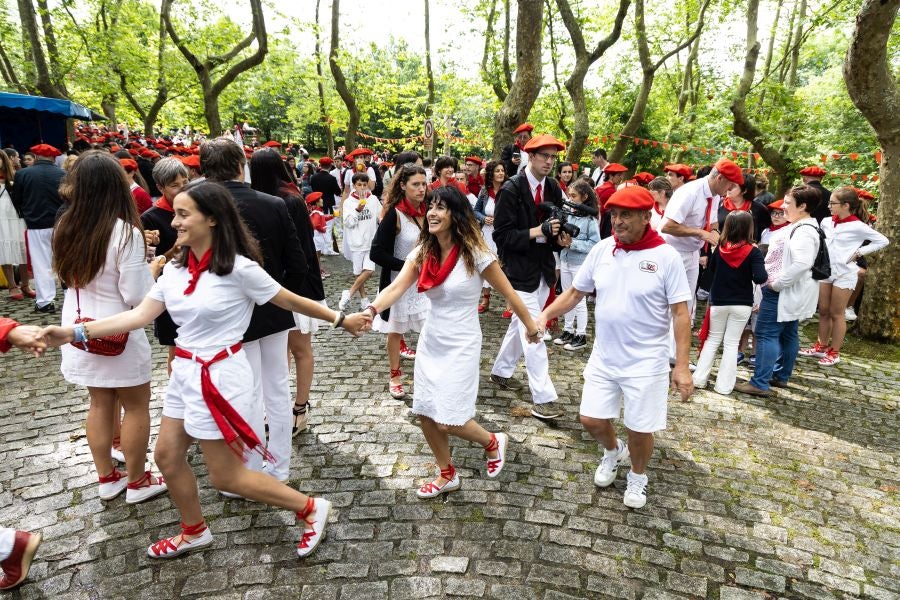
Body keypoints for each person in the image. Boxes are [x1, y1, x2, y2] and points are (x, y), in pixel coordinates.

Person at [39, 181, 371, 559]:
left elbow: (290, 300)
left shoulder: (240, 270)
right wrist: (71, 332)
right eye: (175, 213)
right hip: (184, 374)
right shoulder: (174, 272)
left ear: (212, 219)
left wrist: (341, 319)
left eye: (183, 214)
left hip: (221, 378)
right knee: (166, 456)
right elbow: (137, 316)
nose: (174, 222)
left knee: (226, 476)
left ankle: (311, 508)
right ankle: (194, 531)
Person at [368, 185, 542, 498]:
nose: (432, 213)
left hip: (462, 342)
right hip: (431, 339)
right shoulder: (423, 251)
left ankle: (491, 441)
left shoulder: (475, 253)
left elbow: (509, 293)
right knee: (424, 410)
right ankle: (447, 473)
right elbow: (395, 288)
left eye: (440, 208)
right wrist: (371, 310)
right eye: (430, 207)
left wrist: (530, 325)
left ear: (455, 214)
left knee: (450, 419)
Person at [536, 186, 693, 509]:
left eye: (626, 215)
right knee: (590, 419)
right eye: (614, 215)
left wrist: (681, 365)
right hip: (604, 356)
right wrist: (545, 316)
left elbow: (681, 313)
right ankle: (612, 451)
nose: (617, 222)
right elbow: (576, 293)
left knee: (640, 427)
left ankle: (638, 475)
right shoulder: (603, 249)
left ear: (646, 217)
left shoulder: (666, 257)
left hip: (646, 362)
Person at [52, 151, 168, 503]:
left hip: (79, 330)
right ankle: (137, 480)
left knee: (99, 405)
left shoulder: (64, 227)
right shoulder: (125, 234)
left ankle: (107, 477)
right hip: (117, 331)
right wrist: (154, 269)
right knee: (135, 407)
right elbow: (136, 296)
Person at [201, 138, 308, 484]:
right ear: (239, 166)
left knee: (247, 390)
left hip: (229, 317)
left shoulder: (200, 207)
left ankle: (251, 469)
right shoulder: (274, 204)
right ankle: (277, 468)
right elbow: (298, 263)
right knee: (275, 388)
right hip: (272, 307)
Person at [489, 134, 567, 420]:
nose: (549, 161)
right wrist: (538, 231)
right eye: (544, 156)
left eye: (553, 157)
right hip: (517, 271)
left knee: (520, 325)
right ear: (530, 156)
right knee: (534, 329)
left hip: (544, 268)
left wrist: (561, 238)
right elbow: (501, 236)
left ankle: (500, 371)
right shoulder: (511, 189)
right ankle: (543, 398)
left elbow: (555, 231)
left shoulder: (555, 187)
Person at [249, 148, 325, 436]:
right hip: (275, 287)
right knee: (280, 354)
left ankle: (300, 407)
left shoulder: (290, 199)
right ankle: (279, 407)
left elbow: (302, 250)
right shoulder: (271, 198)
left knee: (299, 349)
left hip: (296, 285)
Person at [735, 185, 821, 396]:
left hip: (782, 291)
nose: (783, 207)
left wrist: (777, 284)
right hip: (788, 291)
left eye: (788, 203)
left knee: (766, 334)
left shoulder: (804, 231)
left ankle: (760, 382)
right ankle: (779, 375)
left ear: (802, 206)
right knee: (788, 333)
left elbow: (802, 263)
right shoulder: (802, 226)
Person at [799, 187, 888, 366]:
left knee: (836, 313)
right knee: (823, 310)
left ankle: (835, 351)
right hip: (826, 271)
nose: (829, 206)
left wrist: (860, 252)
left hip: (845, 273)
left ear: (846, 205)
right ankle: (821, 346)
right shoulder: (825, 221)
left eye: (833, 203)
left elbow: (883, 240)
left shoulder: (858, 226)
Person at [370, 164, 431, 398]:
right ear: (403, 186)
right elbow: (376, 253)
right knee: (395, 331)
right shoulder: (394, 214)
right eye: (415, 184)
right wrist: (408, 267)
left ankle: (429, 375)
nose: (421, 189)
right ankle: (395, 376)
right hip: (399, 284)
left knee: (430, 330)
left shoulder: (431, 211)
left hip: (426, 285)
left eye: (424, 184)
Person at [659, 158, 744, 321]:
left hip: (692, 253)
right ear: (720, 178)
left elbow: (712, 222)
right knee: (668, 305)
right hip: (671, 251)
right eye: (730, 185)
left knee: (687, 305)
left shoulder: (715, 194)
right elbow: (666, 227)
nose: (731, 189)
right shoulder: (689, 192)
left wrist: (715, 232)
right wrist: (701, 233)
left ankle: (677, 342)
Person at [692, 212, 768, 394]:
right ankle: (724, 386)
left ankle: (699, 379)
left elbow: (710, 273)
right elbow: (760, 278)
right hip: (742, 302)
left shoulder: (719, 249)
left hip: (718, 301)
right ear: (749, 228)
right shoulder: (754, 251)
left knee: (712, 340)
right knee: (732, 343)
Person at [142, 157, 189, 373]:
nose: (182, 189)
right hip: (170, 291)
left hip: (198, 284)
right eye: (174, 185)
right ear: (160, 188)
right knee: (177, 350)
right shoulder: (150, 219)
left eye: (185, 182)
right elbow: (149, 267)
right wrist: (174, 250)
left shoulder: (197, 208)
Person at [11, 144, 66, 313]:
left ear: (35, 156)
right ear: (53, 157)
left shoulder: (22, 174)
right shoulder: (63, 174)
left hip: (35, 224)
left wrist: (25, 214)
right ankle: (71, 294)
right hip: (60, 223)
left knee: (41, 263)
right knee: (66, 260)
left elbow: (16, 199)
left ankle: (45, 301)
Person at [553, 179, 600, 351]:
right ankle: (567, 330)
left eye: (574, 196)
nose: (570, 199)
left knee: (578, 301)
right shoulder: (570, 214)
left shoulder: (590, 219)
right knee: (566, 297)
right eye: (569, 195)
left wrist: (573, 243)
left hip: (580, 264)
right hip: (565, 260)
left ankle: (580, 335)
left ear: (585, 197)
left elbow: (595, 244)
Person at [339, 173, 382, 311]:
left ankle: (349, 293)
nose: (362, 188)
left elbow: (380, 217)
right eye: (359, 185)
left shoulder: (373, 199)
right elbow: (348, 223)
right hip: (356, 242)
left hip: (371, 241)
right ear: (354, 186)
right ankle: (364, 299)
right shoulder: (348, 202)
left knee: (369, 271)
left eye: (365, 185)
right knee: (358, 272)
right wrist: (358, 209)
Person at [473, 160, 506, 314]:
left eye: (502, 171)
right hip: (487, 233)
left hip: (503, 233)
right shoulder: (485, 191)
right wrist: (483, 218)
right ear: (491, 174)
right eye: (497, 171)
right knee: (486, 264)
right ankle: (485, 298)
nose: (500, 173)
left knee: (503, 265)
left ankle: (510, 301)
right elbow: (475, 210)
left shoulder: (508, 190)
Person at [0, 151, 32, 301]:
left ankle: (25, 284)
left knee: (22, 249)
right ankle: (12, 285)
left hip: (17, 217)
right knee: (5, 250)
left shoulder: (15, 175)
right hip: (1, 218)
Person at [310, 157, 342, 256]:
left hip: (315, 205)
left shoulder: (314, 177)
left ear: (320, 165)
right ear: (330, 166)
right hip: (328, 205)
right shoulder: (331, 178)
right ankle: (327, 248)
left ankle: (320, 248)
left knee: (318, 228)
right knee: (327, 228)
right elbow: (338, 192)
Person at [595, 163, 628, 239]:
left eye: (622, 175)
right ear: (610, 176)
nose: (621, 178)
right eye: (619, 175)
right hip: (602, 224)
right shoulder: (610, 190)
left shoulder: (603, 186)